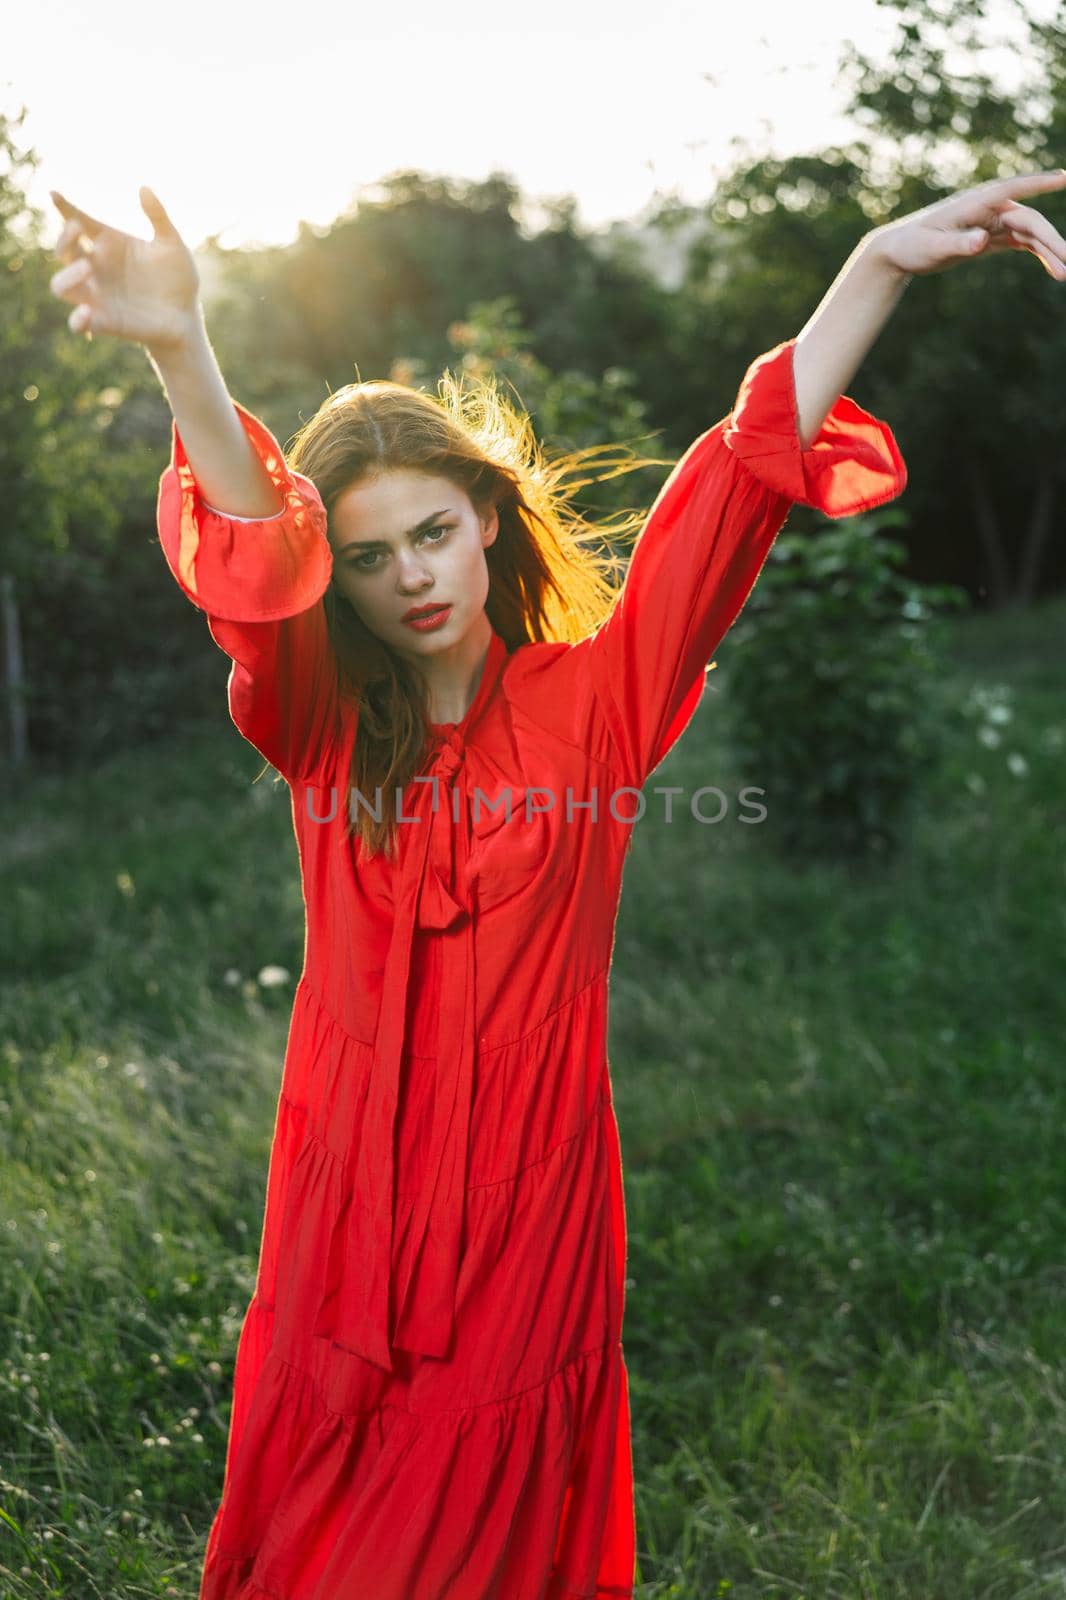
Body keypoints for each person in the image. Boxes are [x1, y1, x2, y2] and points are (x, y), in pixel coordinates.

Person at [49, 169, 1066, 1600]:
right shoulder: (320, 722)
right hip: (347, 1186)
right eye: (366, 558)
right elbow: (250, 567)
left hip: (527, 1197)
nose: (408, 578)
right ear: (332, 581)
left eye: (431, 533)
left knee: (482, 1543)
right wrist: (181, 353)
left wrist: (873, 267)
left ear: (485, 519)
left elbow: (723, 494)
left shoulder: (597, 700)